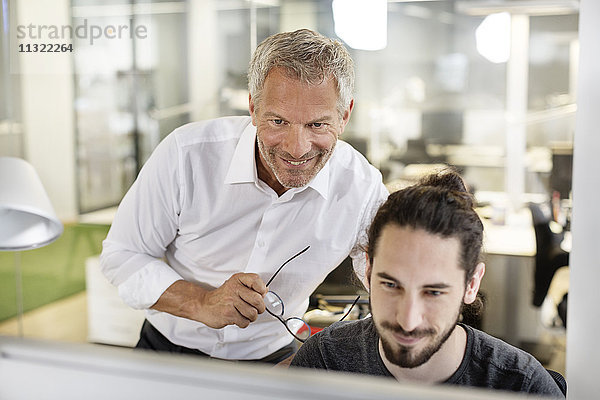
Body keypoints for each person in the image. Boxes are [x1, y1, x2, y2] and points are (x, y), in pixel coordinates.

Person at [100, 29, 388, 363]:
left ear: (344, 116)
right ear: (253, 107)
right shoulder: (186, 155)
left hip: (275, 359)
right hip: (167, 351)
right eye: (278, 121)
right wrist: (202, 303)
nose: (297, 148)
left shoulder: (362, 187)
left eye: (317, 125)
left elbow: (388, 273)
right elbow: (123, 255)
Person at [290, 171, 564, 397]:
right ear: (369, 272)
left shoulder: (520, 387)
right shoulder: (324, 364)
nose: (408, 321)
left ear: (471, 285)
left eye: (433, 292)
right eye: (391, 285)